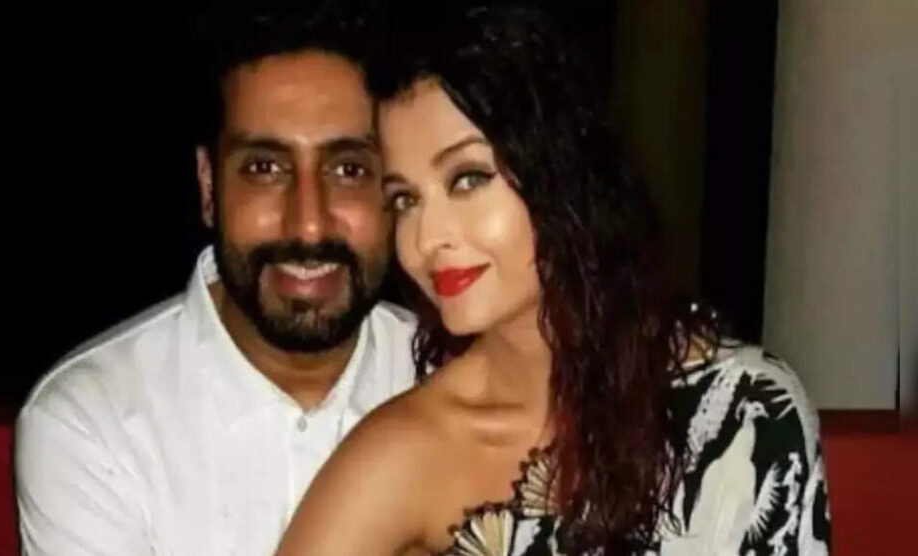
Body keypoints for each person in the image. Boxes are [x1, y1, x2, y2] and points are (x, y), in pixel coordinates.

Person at [276, 4, 831, 555]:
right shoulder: (414, 448)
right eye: (405, 200)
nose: (425, 239)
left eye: (468, 179)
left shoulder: (746, 414)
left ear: (561, 169)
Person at [13, 4, 416, 554]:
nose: (308, 223)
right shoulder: (94, 420)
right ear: (209, 186)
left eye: (348, 169)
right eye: (265, 168)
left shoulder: (455, 378)